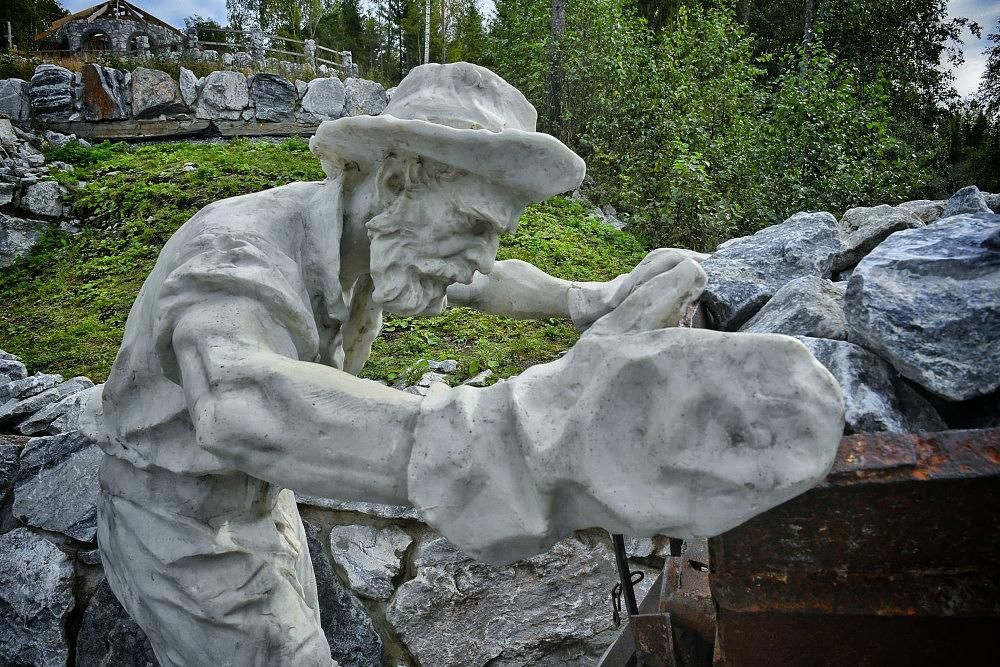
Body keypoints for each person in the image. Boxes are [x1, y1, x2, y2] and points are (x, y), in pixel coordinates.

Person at [80, 63, 843, 666]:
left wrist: (587, 297)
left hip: (256, 496)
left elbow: (482, 277)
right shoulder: (238, 254)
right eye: (475, 224)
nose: (481, 255)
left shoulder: (375, 236)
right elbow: (239, 403)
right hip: (176, 521)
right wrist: (505, 437)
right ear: (402, 177)